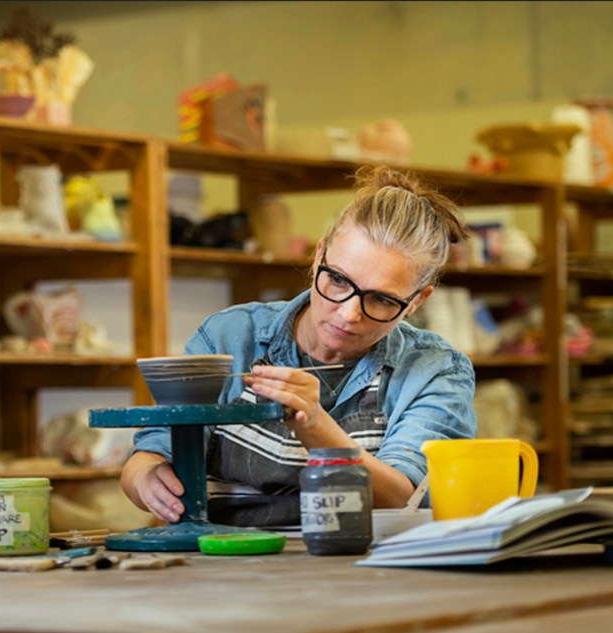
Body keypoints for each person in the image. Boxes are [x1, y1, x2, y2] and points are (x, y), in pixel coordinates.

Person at [121, 165, 477, 529]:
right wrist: (145, 479)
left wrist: (315, 425)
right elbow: (152, 450)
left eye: (382, 300)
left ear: (417, 301)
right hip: (224, 562)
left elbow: (406, 498)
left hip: (364, 568)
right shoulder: (231, 337)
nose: (349, 313)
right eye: (338, 280)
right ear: (318, 257)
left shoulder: (436, 370)